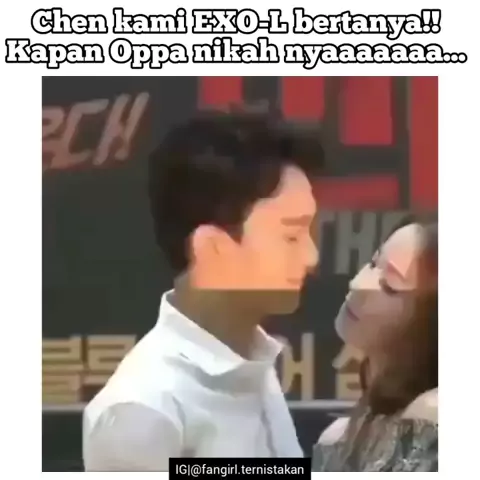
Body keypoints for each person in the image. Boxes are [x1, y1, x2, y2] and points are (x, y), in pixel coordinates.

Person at [82, 106, 324, 470]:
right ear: (212, 248)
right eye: (291, 236)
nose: (311, 256)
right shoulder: (144, 414)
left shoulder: (250, 363)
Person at [313, 216, 438, 472]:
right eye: (372, 263)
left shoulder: (433, 416)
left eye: (390, 285)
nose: (357, 284)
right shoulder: (335, 439)